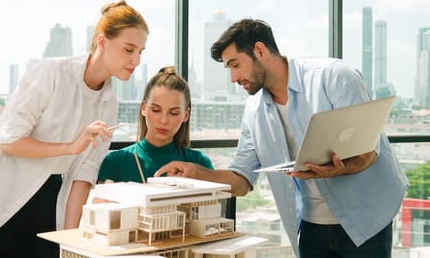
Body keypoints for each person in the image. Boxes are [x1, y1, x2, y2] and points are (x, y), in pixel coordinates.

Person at [155, 19, 408, 257]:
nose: (233, 78)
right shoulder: (253, 111)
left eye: (235, 64)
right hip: (312, 227)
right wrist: (195, 173)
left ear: (260, 51)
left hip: (366, 221)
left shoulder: (334, 77)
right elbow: (242, 181)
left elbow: (367, 153)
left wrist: (335, 169)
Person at [0, 0, 149, 258]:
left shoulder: (109, 104)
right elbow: (10, 141)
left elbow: (82, 177)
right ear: (103, 42)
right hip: (2, 193)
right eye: (129, 49)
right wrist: (70, 147)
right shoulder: (52, 72)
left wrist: (70, 246)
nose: (136, 60)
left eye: (141, 51)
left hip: (48, 200)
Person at [97, 66, 213, 184]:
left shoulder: (200, 164)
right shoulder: (115, 162)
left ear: (186, 116)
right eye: (156, 110)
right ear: (143, 108)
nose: (163, 120)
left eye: (174, 113)